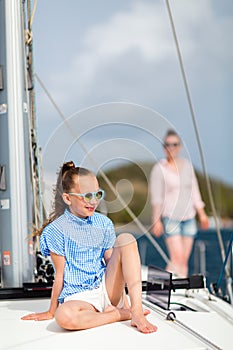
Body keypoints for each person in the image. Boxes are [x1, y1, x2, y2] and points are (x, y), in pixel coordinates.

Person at [22, 161, 157, 334]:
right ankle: (119, 315)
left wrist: (126, 302)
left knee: (127, 239)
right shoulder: (54, 231)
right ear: (67, 198)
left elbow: (114, 266)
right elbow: (60, 274)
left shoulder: (104, 223)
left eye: (97, 194)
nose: (93, 201)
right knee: (63, 316)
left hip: (106, 290)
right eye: (87, 196)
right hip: (78, 297)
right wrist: (51, 311)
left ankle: (136, 312)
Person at [150, 129, 209, 278]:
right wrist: (156, 221)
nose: (171, 147)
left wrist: (202, 214)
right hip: (171, 218)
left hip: (189, 217)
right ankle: (164, 288)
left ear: (180, 147)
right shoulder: (159, 169)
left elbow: (194, 191)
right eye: (168, 144)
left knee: (183, 260)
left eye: (175, 144)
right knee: (176, 258)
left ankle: (181, 288)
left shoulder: (187, 166)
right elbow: (156, 198)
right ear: (164, 147)